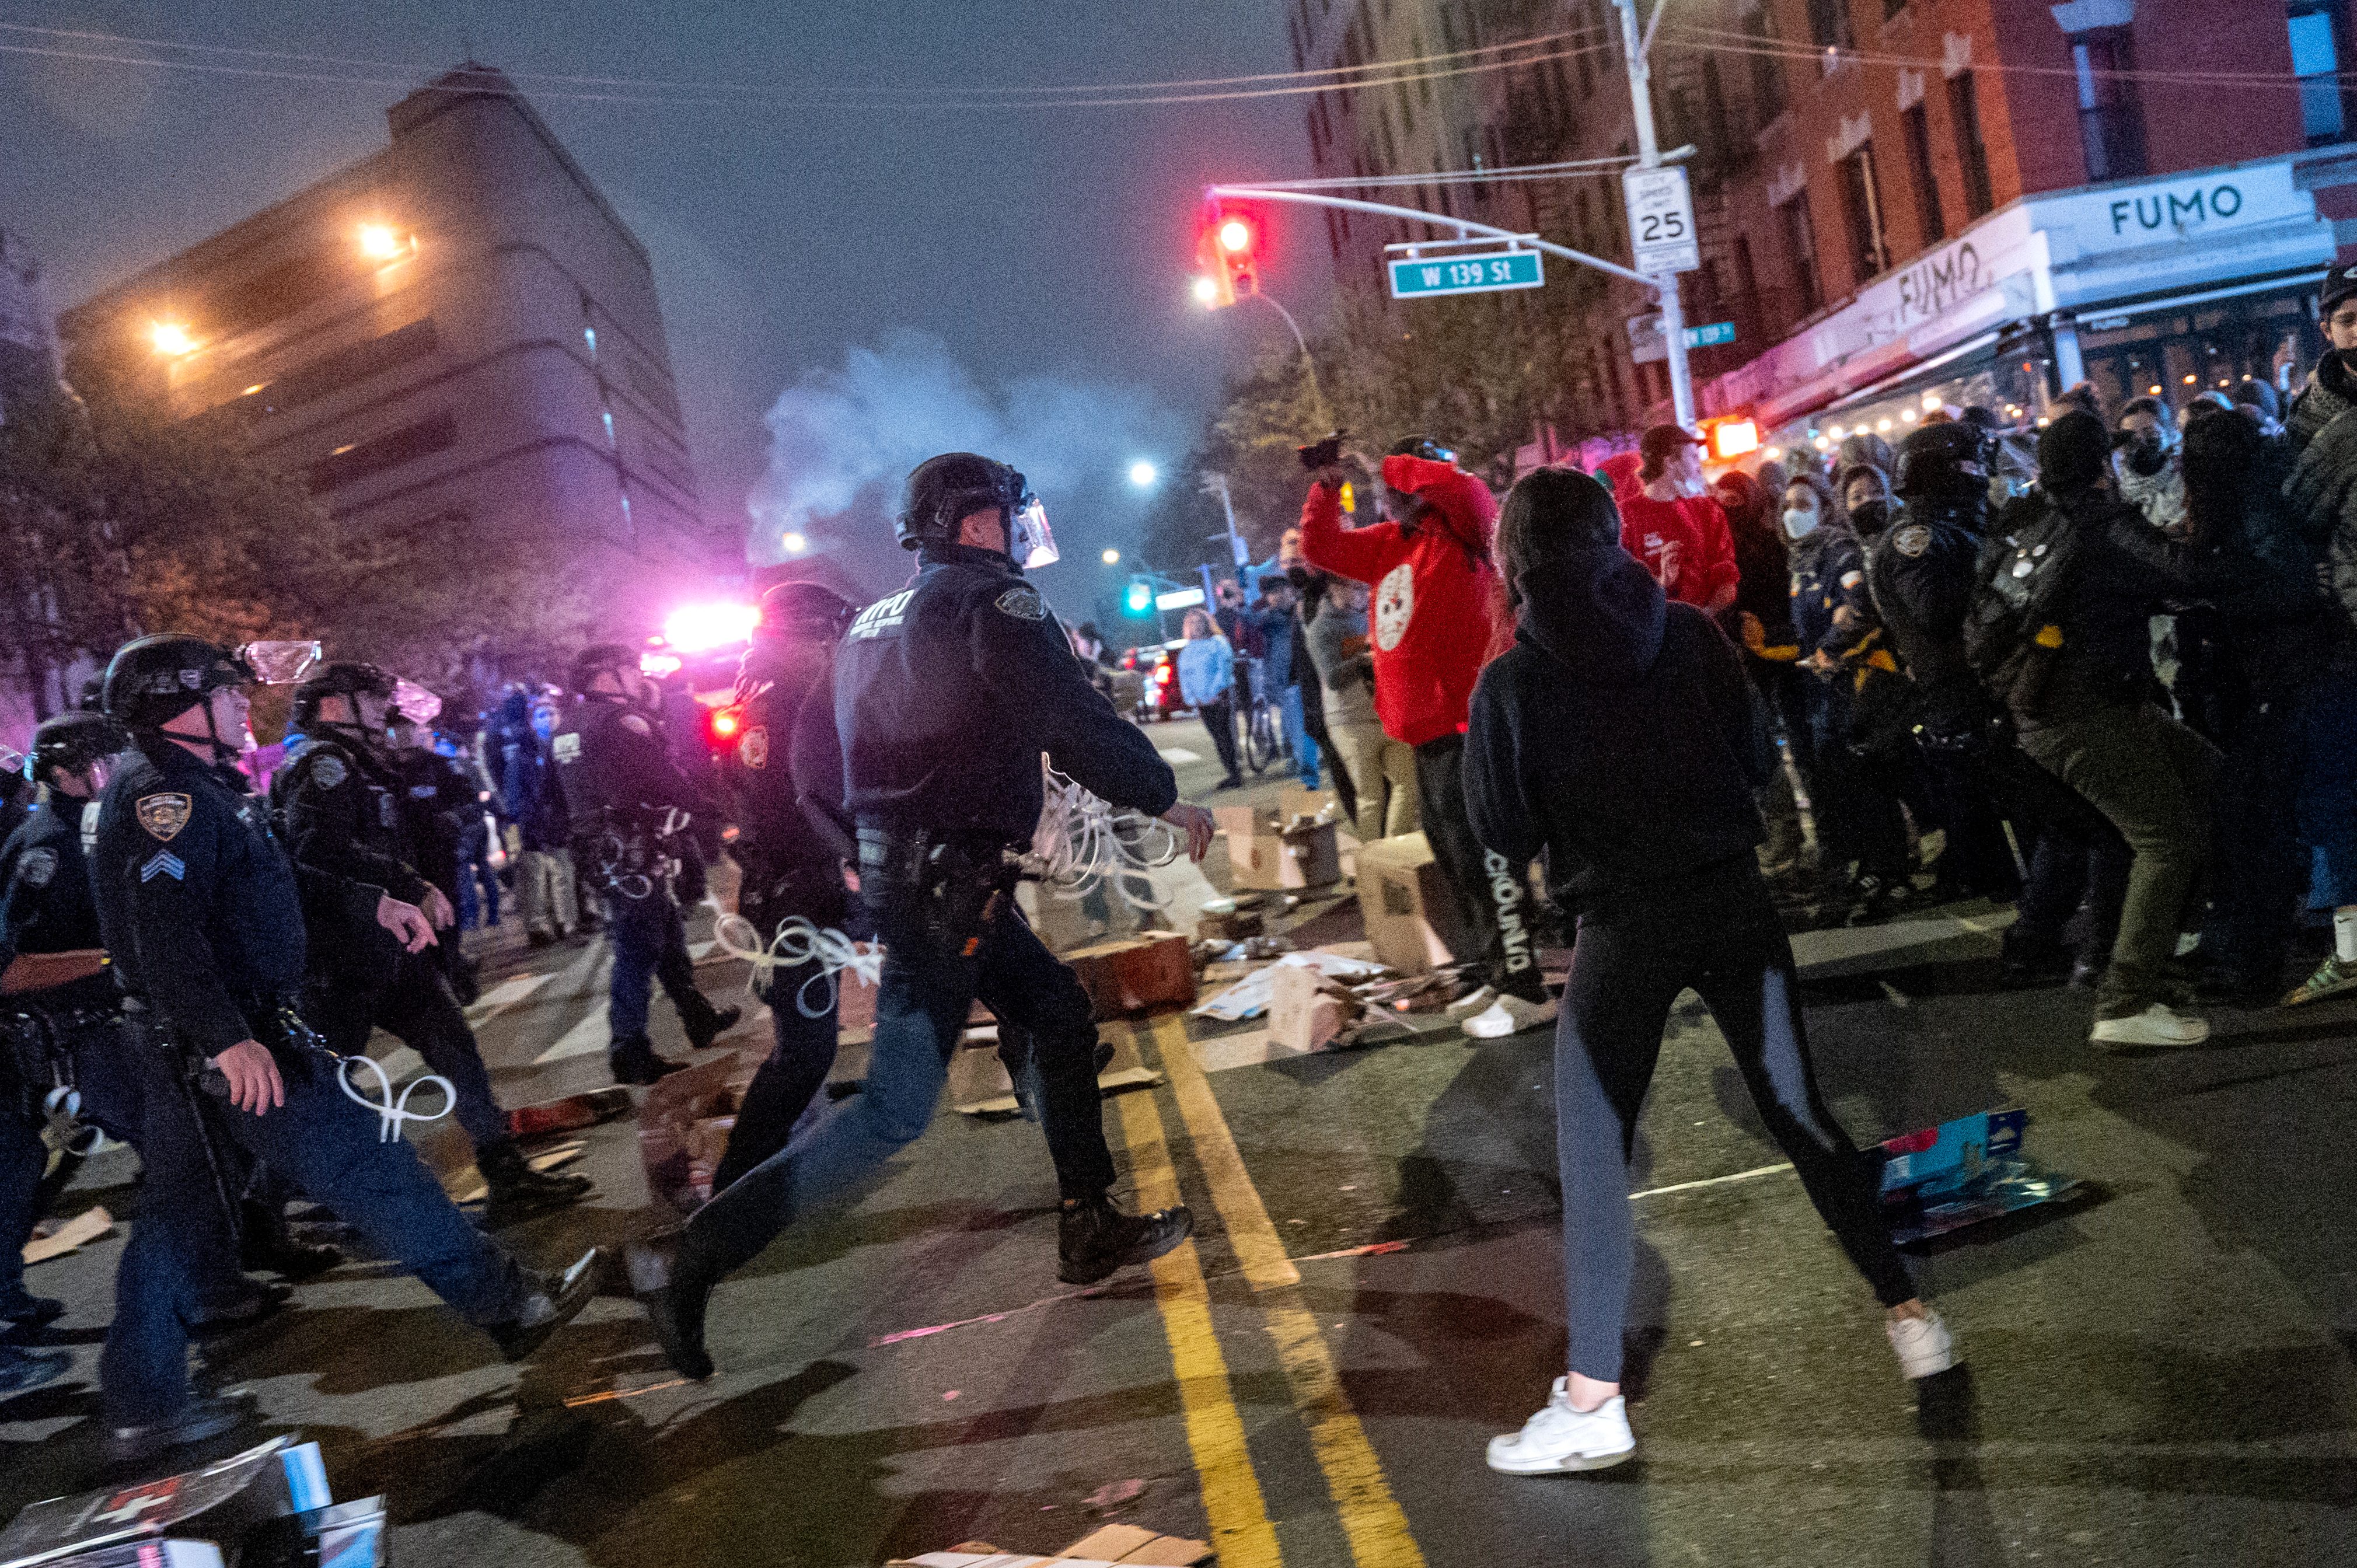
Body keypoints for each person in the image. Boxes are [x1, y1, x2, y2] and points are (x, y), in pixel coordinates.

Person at [627, 452, 1205, 1379]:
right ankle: (687, 1259)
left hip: (922, 881)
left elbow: (813, 765)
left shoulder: (868, 625)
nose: (1019, 533)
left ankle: (1088, 1220)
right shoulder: (990, 604)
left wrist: (862, 855)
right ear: (975, 522)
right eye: (1009, 516)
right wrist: (1166, 797)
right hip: (949, 891)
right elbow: (1070, 716)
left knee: (1055, 1011)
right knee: (892, 1109)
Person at [1463, 469, 1951, 1475]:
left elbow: (1499, 831)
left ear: (1515, 556)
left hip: (1621, 924)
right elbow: (1757, 763)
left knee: (1594, 1151)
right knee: (1798, 1109)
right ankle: (1908, 1315)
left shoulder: (1510, 679)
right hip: (1732, 899)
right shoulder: (1686, 632)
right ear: (1609, 537)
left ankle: (1593, 1397)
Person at [90, 634, 599, 1460]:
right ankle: (510, 1304)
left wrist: (369, 902)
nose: (239, 709)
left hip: (219, 1038)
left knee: (180, 1217)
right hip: (227, 1045)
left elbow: (277, 879)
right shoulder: (164, 800)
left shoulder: (194, 787)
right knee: (372, 1169)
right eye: (223, 696)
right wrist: (228, 1040)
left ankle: (142, 1406)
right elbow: (164, 935)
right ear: (177, 708)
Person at [275, 664, 591, 1220]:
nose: (380, 708)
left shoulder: (362, 764)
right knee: (320, 1088)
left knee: (458, 1054)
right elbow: (315, 850)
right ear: (332, 706)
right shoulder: (320, 765)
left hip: (396, 952)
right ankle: (261, 1210)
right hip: (344, 958)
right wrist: (406, 882)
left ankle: (506, 1173)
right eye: (369, 698)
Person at [1975, 411, 2223, 1046]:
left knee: (2209, 777)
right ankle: (2126, 1000)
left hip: (2046, 709)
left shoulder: (2027, 521)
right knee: (2164, 839)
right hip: (2084, 712)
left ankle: (2167, 944)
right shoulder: (2102, 525)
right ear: (2101, 462)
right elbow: (2183, 573)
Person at [1298, 437, 1551, 1039]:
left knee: (1492, 859)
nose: (1386, 497)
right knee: (1457, 856)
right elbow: (1321, 546)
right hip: (1427, 735)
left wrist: (1379, 459)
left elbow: (1460, 487)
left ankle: (1526, 984)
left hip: (1470, 726)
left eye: (1396, 488)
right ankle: (1495, 971)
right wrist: (1328, 486)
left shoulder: (1466, 530)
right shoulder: (1392, 546)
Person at [1877, 422, 2130, 975]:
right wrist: (2007, 567)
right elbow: (1938, 610)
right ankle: (2065, 945)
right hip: (1971, 703)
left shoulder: (1953, 525)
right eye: (1973, 464)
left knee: (2065, 825)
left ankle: (2038, 939)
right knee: (2078, 822)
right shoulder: (1917, 536)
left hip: (1992, 696)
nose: (1983, 474)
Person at [2178, 408, 2347, 1007]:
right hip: (2284, 677)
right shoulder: (2261, 487)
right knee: (2272, 820)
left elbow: (2286, 582)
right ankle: (2251, 955)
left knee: (2265, 824)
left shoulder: (2251, 501)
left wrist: (2214, 590)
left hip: (2290, 677)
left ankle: (2255, 964)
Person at [708, 580, 860, 1190]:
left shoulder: (761, 687)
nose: (837, 644)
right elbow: (805, 799)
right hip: (799, 889)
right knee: (804, 1050)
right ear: (810, 633)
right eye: (830, 632)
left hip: (793, 882)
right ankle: (733, 1186)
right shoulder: (794, 694)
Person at [553, 644, 744, 1085]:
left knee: (665, 930)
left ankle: (697, 1016)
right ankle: (629, 1050)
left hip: (600, 850)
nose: (638, 677)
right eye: (629, 670)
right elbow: (664, 779)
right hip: (633, 846)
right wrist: (713, 810)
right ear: (606, 677)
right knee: (638, 948)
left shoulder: (566, 727)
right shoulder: (622, 722)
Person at [2276, 264, 2357, 1007]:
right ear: (2327, 330)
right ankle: (2352, 949)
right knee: (2340, 796)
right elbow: (2295, 524)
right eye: (2348, 317)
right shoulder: (2307, 420)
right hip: (2343, 636)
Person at [1782, 469, 1914, 917]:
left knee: (1865, 777)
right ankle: (1872, 865)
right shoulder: (1799, 557)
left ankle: (1892, 871)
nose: (1792, 514)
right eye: (1786, 505)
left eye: (1803, 503)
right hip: (1821, 688)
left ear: (1824, 506)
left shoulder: (1836, 551)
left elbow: (1858, 607)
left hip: (1851, 680)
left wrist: (1829, 648)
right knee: (1842, 780)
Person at [1307, 575, 1413, 841]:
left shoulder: (1371, 617)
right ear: (1336, 588)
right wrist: (1365, 659)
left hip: (1385, 716)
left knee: (1409, 785)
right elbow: (1332, 677)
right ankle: (1372, 862)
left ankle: (1394, 852)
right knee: (1371, 798)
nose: (1364, 594)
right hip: (1349, 723)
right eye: (1357, 588)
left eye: (1365, 587)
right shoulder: (1322, 628)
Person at [1618, 424, 1738, 613]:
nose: (1697, 465)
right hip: (1657, 634)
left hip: (1704, 631)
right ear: (1670, 461)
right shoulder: (1626, 516)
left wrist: (1700, 620)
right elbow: (1623, 589)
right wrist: (1662, 582)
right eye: (1692, 457)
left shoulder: (1708, 511)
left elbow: (1727, 580)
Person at [500, 690, 579, 945]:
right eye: (542, 714)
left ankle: (565, 924)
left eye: (552, 713)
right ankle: (544, 926)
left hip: (552, 820)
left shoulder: (556, 746)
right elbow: (519, 792)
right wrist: (525, 821)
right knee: (539, 874)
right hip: (534, 822)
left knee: (560, 873)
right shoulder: (525, 751)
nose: (549, 718)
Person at [1255, 575, 1321, 788]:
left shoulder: (1303, 610)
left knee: (1320, 730)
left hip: (1315, 678)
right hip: (1291, 684)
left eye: (1283, 591)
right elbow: (1248, 621)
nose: (1279, 596)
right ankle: (1310, 781)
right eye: (1273, 593)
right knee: (1301, 734)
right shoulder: (1268, 620)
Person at [1175, 608, 1243, 790]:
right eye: (1192, 624)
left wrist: (1215, 692)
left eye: (1199, 622)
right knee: (1217, 737)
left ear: (1207, 624)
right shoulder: (1187, 651)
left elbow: (1224, 668)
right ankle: (1231, 771)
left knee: (1226, 735)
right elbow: (1185, 676)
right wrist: (1192, 699)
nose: (1196, 627)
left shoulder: (1217, 643)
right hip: (1202, 702)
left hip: (1219, 698)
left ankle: (1235, 773)